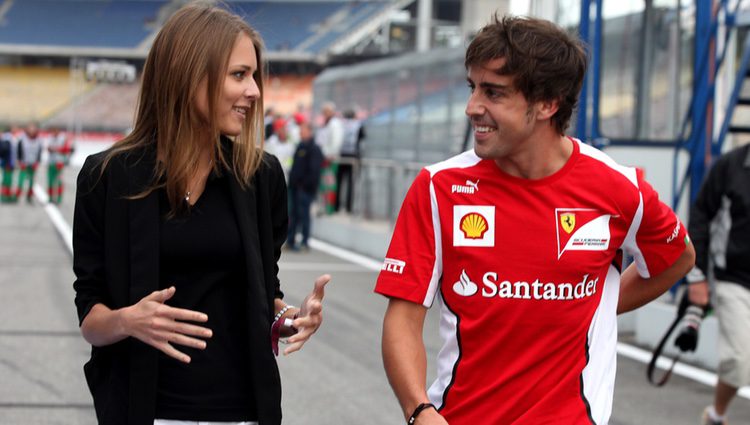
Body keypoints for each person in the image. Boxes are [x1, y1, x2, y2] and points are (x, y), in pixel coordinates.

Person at [374, 15, 695, 425]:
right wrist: (419, 410)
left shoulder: (617, 187)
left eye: (493, 93)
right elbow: (402, 318)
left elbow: (677, 258)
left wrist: (591, 307)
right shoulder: (439, 187)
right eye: (472, 88)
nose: (473, 108)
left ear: (547, 103)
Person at [72, 4, 330, 425]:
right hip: (143, 411)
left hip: (242, 412)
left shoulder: (261, 176)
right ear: (189, 75)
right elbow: (91, 318)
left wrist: (289, 319)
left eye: (254, 76)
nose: (255, 92)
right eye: (239, 75)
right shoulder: (108, 177)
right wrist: (128, 321)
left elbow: (265, 295)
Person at [686, 143, 750, 425]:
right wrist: (697, 277)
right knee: (738, 361)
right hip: (733, 278)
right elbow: (700, 218)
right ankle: (716, 415)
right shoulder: (731, 166)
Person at [287, 122, 323, 251]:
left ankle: (304, 242)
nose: (300, 132)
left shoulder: (314, 148)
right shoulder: (300, 146)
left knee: (304, 215)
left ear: (310, 131)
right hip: (295, 187)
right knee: (293, 214)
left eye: (303, 130)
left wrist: (304, 185)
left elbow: (314, 171)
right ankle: (291, 240)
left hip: (305, 189)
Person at [314, 101, 343, 214]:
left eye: (326, 111)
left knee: (329, 185)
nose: (324, 113)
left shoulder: (335, 124)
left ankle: (329, 208)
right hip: (323, 158)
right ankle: (323, 206)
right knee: (323, 185)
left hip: (330, 159)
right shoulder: (326, 123)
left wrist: (330, 154)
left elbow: (336, 142)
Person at [335, 108, 365, 213]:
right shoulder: (358, 124)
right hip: (353, 155)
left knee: (339, 182)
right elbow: (362, 137)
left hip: (342, 154)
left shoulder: (341, 124)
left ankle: (336, 206)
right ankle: (348, 207)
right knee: (351, 183)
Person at [16, 122, 43, 203]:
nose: (32, 130)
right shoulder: (22, 139)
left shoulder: (38, 140)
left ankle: (29, 196)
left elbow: (39, 152)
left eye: (33, 128)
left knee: (31, 182)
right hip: (24, 163)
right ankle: (17, 196)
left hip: (33, 164)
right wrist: (20, 162)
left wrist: (37, 162)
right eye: (30, 128)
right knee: (21, 181)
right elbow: (19, 151)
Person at [46, 127, 74, 204]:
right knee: (50, 181)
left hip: (59, 163)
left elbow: (67, 149)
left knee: (59, 182)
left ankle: (59, 198)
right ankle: (50, 197)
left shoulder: (63, 138)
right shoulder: (50, 138)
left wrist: (56, 149)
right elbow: (48, 148)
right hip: (51, 162)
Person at [0, 126, 16, 203]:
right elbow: (5, 151)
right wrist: (8, 162)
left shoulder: (6, 138)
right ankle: (5, 196)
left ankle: (6, 195)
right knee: (7, 180)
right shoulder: (8, 139)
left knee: (6, 180)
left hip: (6, 162)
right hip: (8, 163)